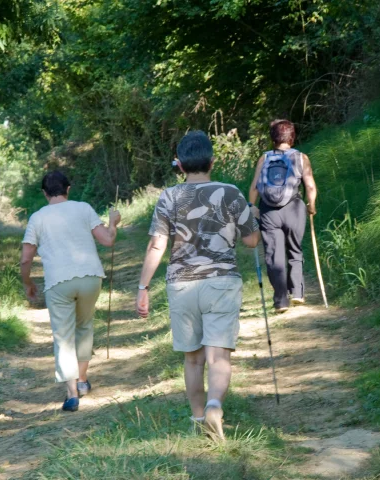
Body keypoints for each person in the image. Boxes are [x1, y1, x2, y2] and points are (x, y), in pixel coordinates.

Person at [136, 130, 260, 441]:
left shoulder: (169, 196)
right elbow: (251, 241)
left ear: (179, 165)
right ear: (212, 161)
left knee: (193, 358)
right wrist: (252, 217)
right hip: (222, 282)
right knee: (218, 356)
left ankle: (196, 417)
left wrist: (143, 287)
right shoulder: (231, 192)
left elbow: (156, 245)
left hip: (182, 285)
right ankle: (215, 407)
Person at [20, 171, 121, 412]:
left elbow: (26, 258)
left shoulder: (37, 218)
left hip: (58, 282)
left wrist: (27, 283)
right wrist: (113, 223)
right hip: (90, 278)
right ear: (68, 189)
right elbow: (107, 240)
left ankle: (72, 393)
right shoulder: (83, 208)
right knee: (84, 326)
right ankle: (83, 380)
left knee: (63, 336)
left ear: (44, 193)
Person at [248, 119, 317, 313]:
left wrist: (252, 207)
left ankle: (280, 300)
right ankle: (297, 293)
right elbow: (310, 186)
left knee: (273, 254)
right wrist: (311, 206)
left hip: (269, 211)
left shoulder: (264, 158)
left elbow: (255, 186)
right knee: (295, 250)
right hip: (294, 208)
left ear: (273, 139)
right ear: (292, 137)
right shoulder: (302, 157)